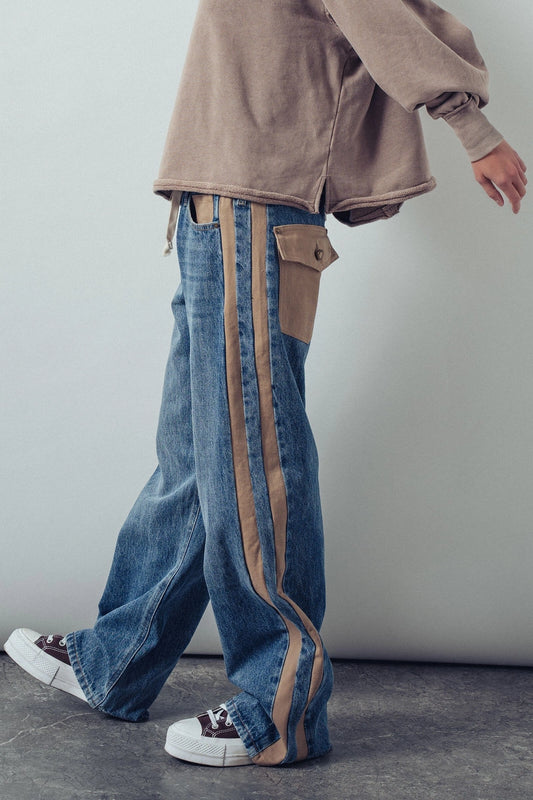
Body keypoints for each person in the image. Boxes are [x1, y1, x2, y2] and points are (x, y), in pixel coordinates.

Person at [5, 0, 526, 770]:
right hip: (214, 205)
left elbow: (384, 14)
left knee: (252, 461)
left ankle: (279, 710)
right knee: (196, 459)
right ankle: (117, 658)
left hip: (255, 207)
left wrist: (471, 129)